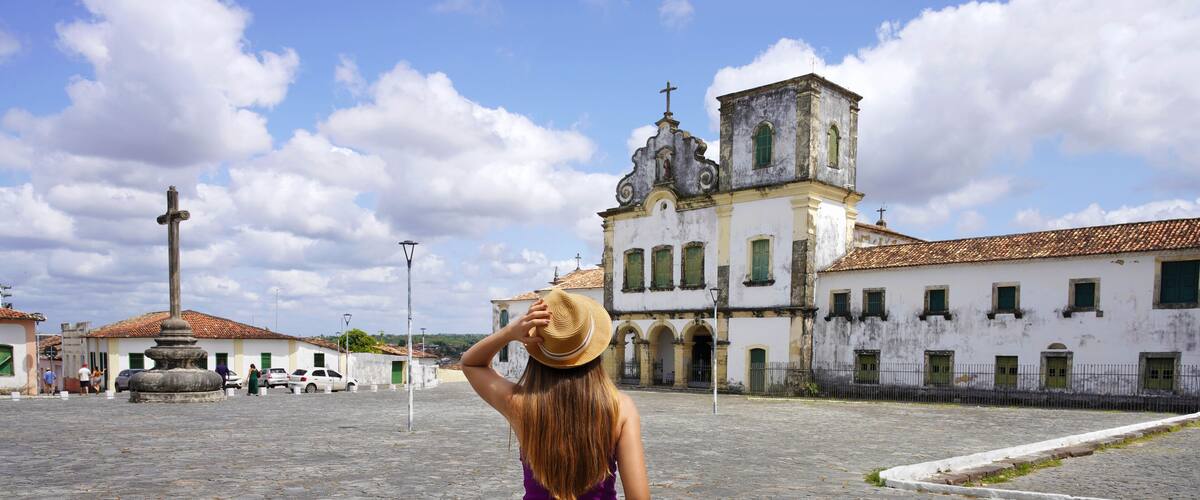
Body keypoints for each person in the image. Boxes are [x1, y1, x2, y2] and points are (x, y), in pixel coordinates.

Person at [463, 289, 650, 500]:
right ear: (593, 349)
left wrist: (509, 332)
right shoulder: (620, 408)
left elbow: (471, 364)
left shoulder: (521, 404)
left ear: (539, 350)